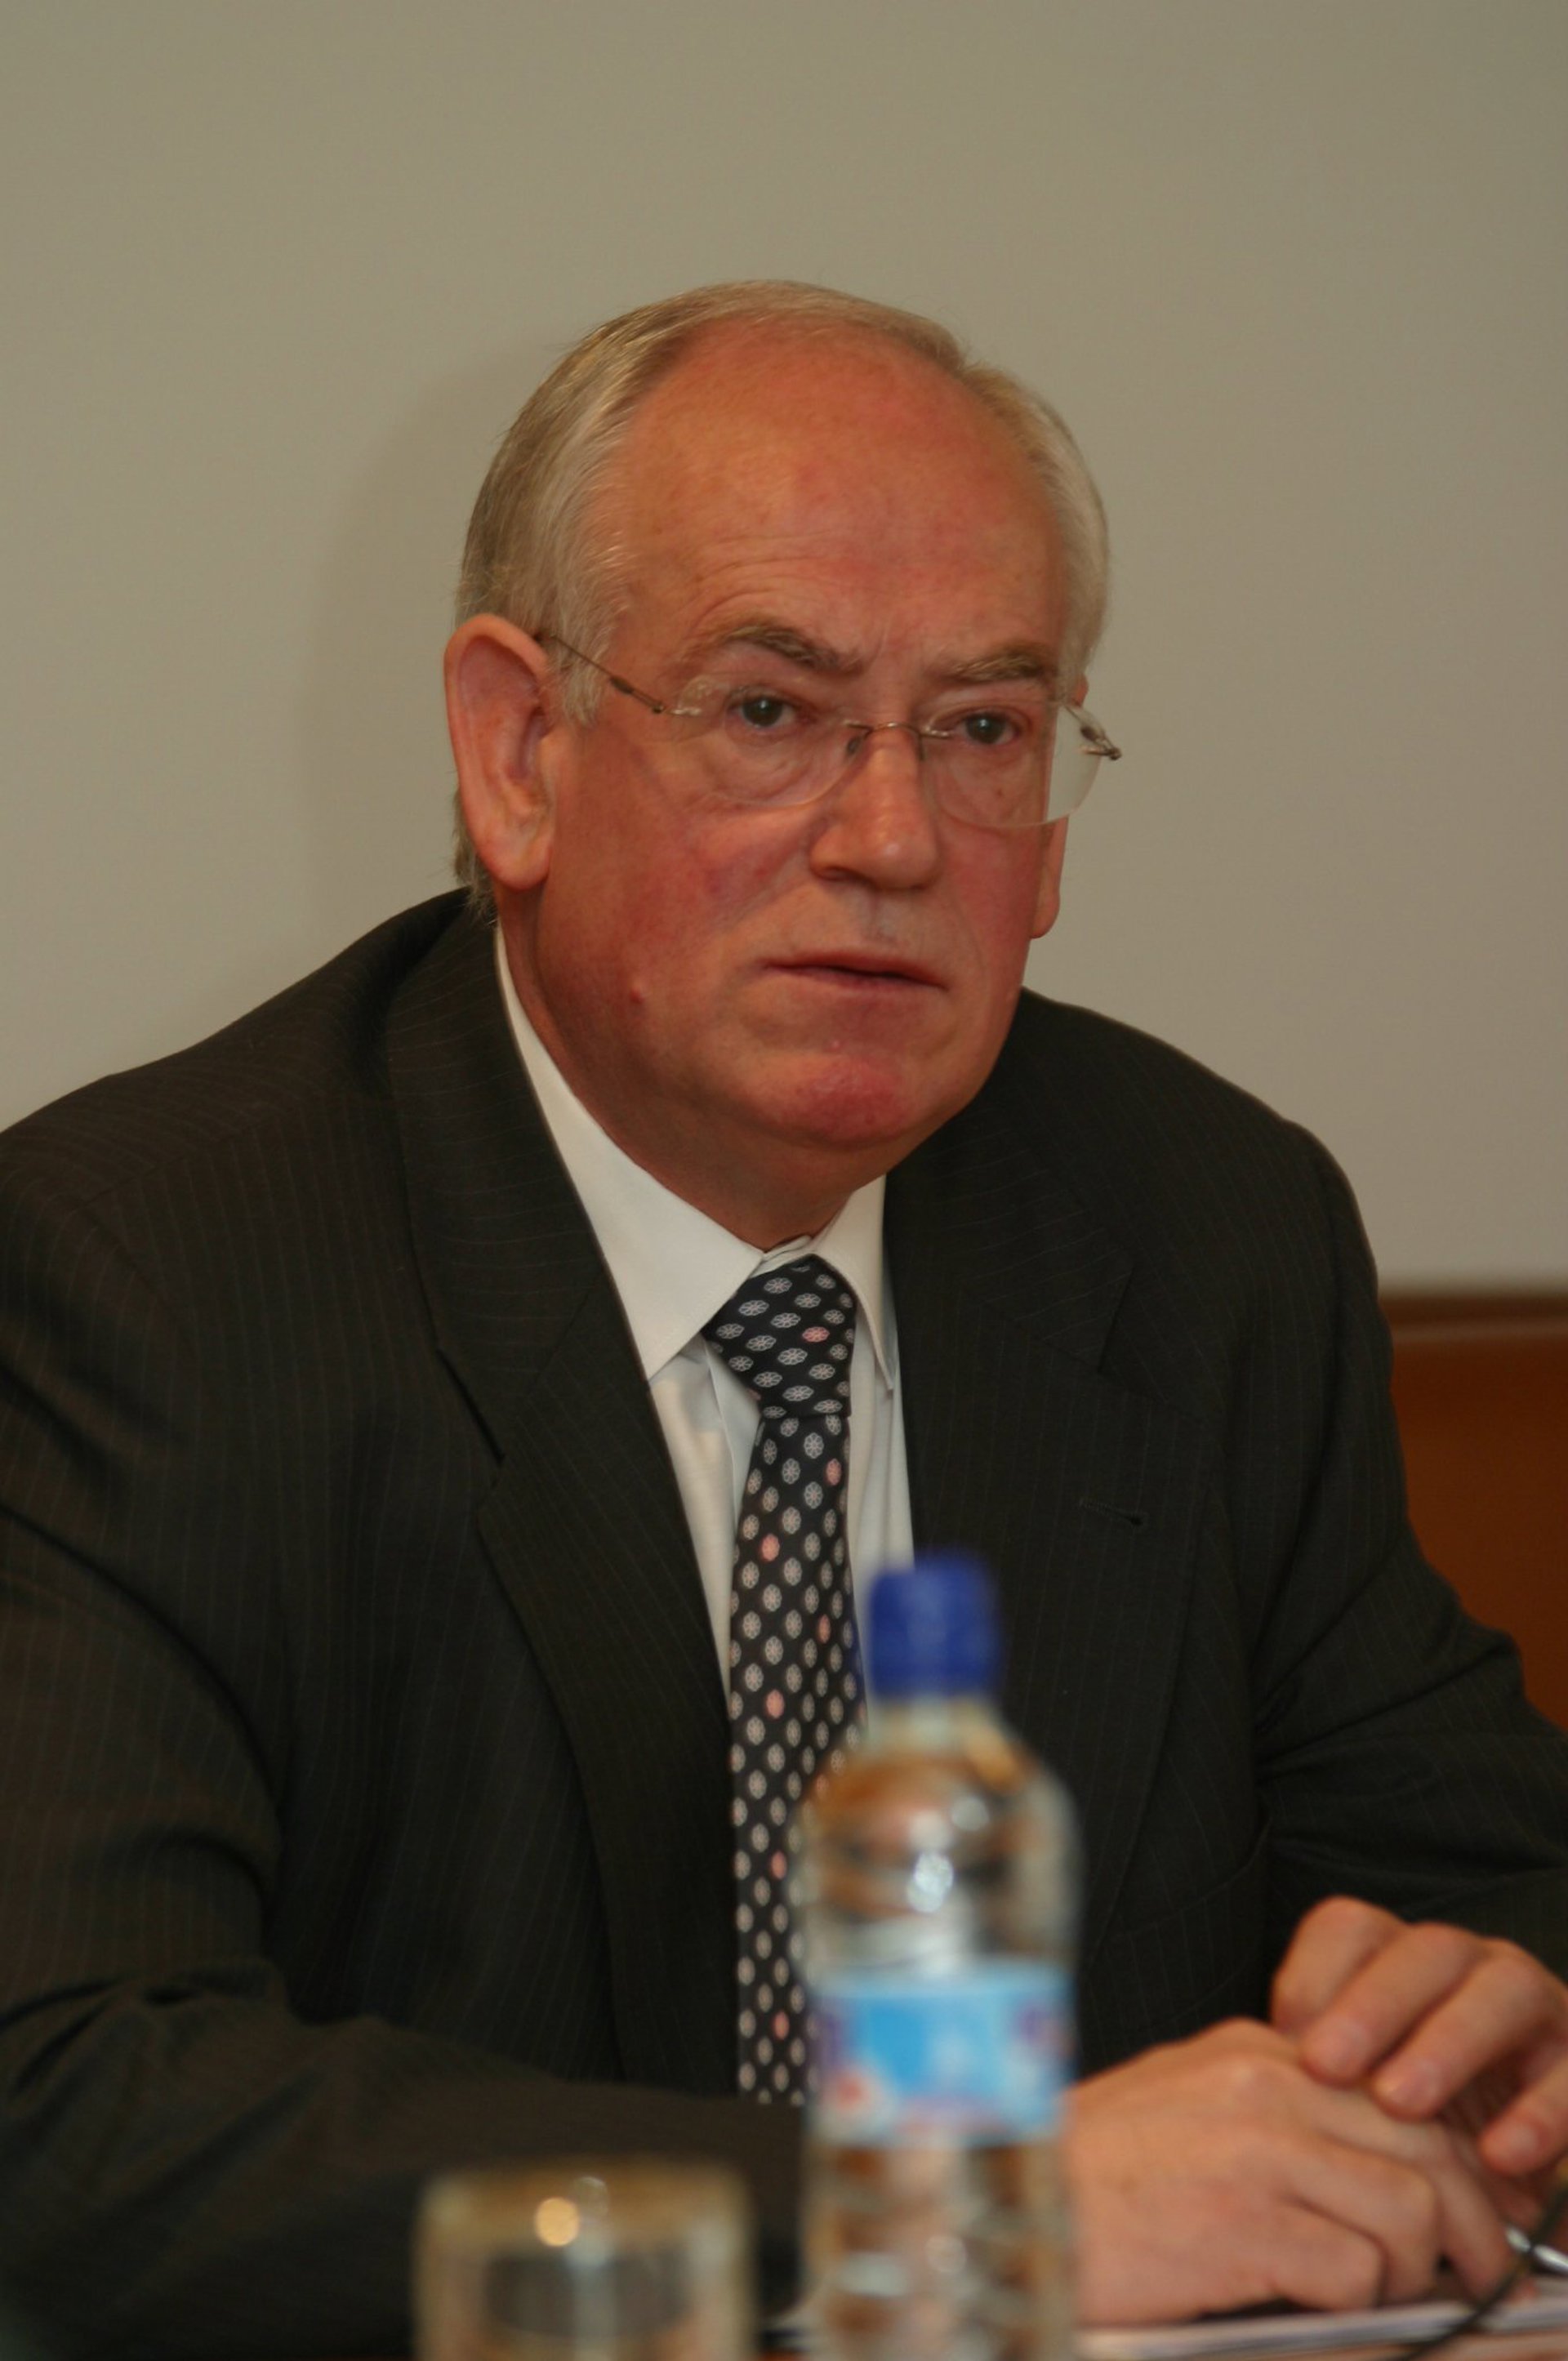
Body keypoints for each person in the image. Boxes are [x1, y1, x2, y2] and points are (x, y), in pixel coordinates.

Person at [1, 281, 1565, 2360]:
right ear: (518, 752)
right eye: (768, 710)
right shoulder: (143, 1272)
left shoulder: (1204, 1230)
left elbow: (1484, 1882)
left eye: (984, 729)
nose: (892, 839)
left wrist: (1492, 2026)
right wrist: (956, 2211)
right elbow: (69, 2101)